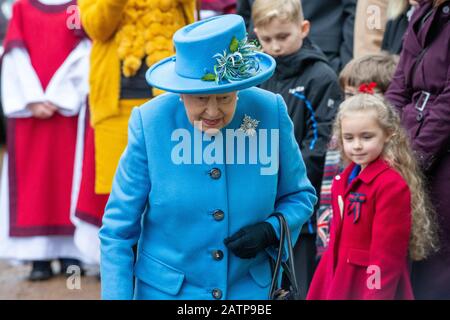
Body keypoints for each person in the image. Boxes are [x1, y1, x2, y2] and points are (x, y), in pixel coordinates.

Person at [99, 14, 317, 300]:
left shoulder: (268, 112)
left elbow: (300, 196)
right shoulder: (150, 123)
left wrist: (271, 229)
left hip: (249, 293)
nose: (213, 112)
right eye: (200, 98)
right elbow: (117, 233)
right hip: (168, 294)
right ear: (180, 91)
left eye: (225, 97)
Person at [73, 0, 196, 263]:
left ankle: (167, 263)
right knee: (120, 194)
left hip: (169, 96)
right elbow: (96, 27)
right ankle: (122, 268)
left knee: (172, 182)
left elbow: (189, 19)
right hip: (116, 103)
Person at [251, 0, 341, 299]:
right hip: (257, 202)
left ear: (303, 29)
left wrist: (278, 177)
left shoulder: (321, 77)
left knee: (297, 287)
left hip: (300, 211)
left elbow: (320, 145)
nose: (275, 46)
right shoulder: (256, 77)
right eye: (266, 39)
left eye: (283, 37)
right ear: (256, 35)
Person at [307, 93, 438, 300]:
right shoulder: (342, 179)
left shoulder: (391, 185)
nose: (357, 145)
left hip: (367, 285)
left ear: (388, 134)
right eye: (349, 138)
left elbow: (386, 256)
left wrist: (375, 295)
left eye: (366, 137)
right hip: (336, 277)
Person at [0, 0, 90, 280]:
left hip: (68, 113)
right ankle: (38, 258)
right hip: (31, 114)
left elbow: (86, 51)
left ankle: (70, 254)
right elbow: (14, 53)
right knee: (33, 180)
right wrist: (33, 98)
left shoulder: (80, 6)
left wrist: (60, 95)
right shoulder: (23, 7)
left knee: (68, 178)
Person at [385, 0, 450, 299]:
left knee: (438, 260)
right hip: (408, 141)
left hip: (440, 153)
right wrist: (384, 137)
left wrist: (415, 159)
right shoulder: (423, 12)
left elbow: (447, 105)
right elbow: (399, 84)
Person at [316, 52, 399, 258]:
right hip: (337, 243)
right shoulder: (339, 139)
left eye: (363, 95)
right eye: (348, 95)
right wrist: (325, 245)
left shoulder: (391, 142)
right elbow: (328, 192)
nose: (352, 104)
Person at [237, 0, 356, 73]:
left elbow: (353, 11)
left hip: (326, 56)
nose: (276, 46)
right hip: (263, 60)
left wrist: (347, 63)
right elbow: (244, 14)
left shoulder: (323, 73)